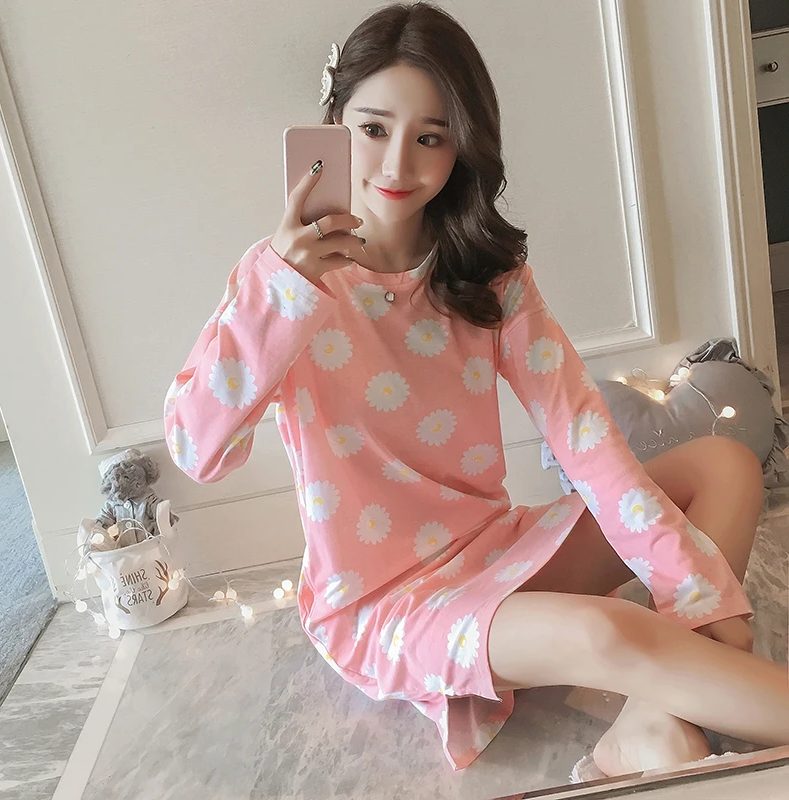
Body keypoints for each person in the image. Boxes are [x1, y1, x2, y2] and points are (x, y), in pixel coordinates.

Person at [163, 1, 789, 778]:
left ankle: (651, 722)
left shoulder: (488, 274)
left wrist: (695, 590)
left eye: (430, 137)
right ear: (333, 124)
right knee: (604, 634)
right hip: (382, 605)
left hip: (495, 545)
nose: (398, 165)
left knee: (724, 464)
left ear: (463, 145)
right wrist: (280, 293)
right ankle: (691, 701)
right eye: (373, 129)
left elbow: (585, 439)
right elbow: (198, 450)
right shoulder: (280, 282)